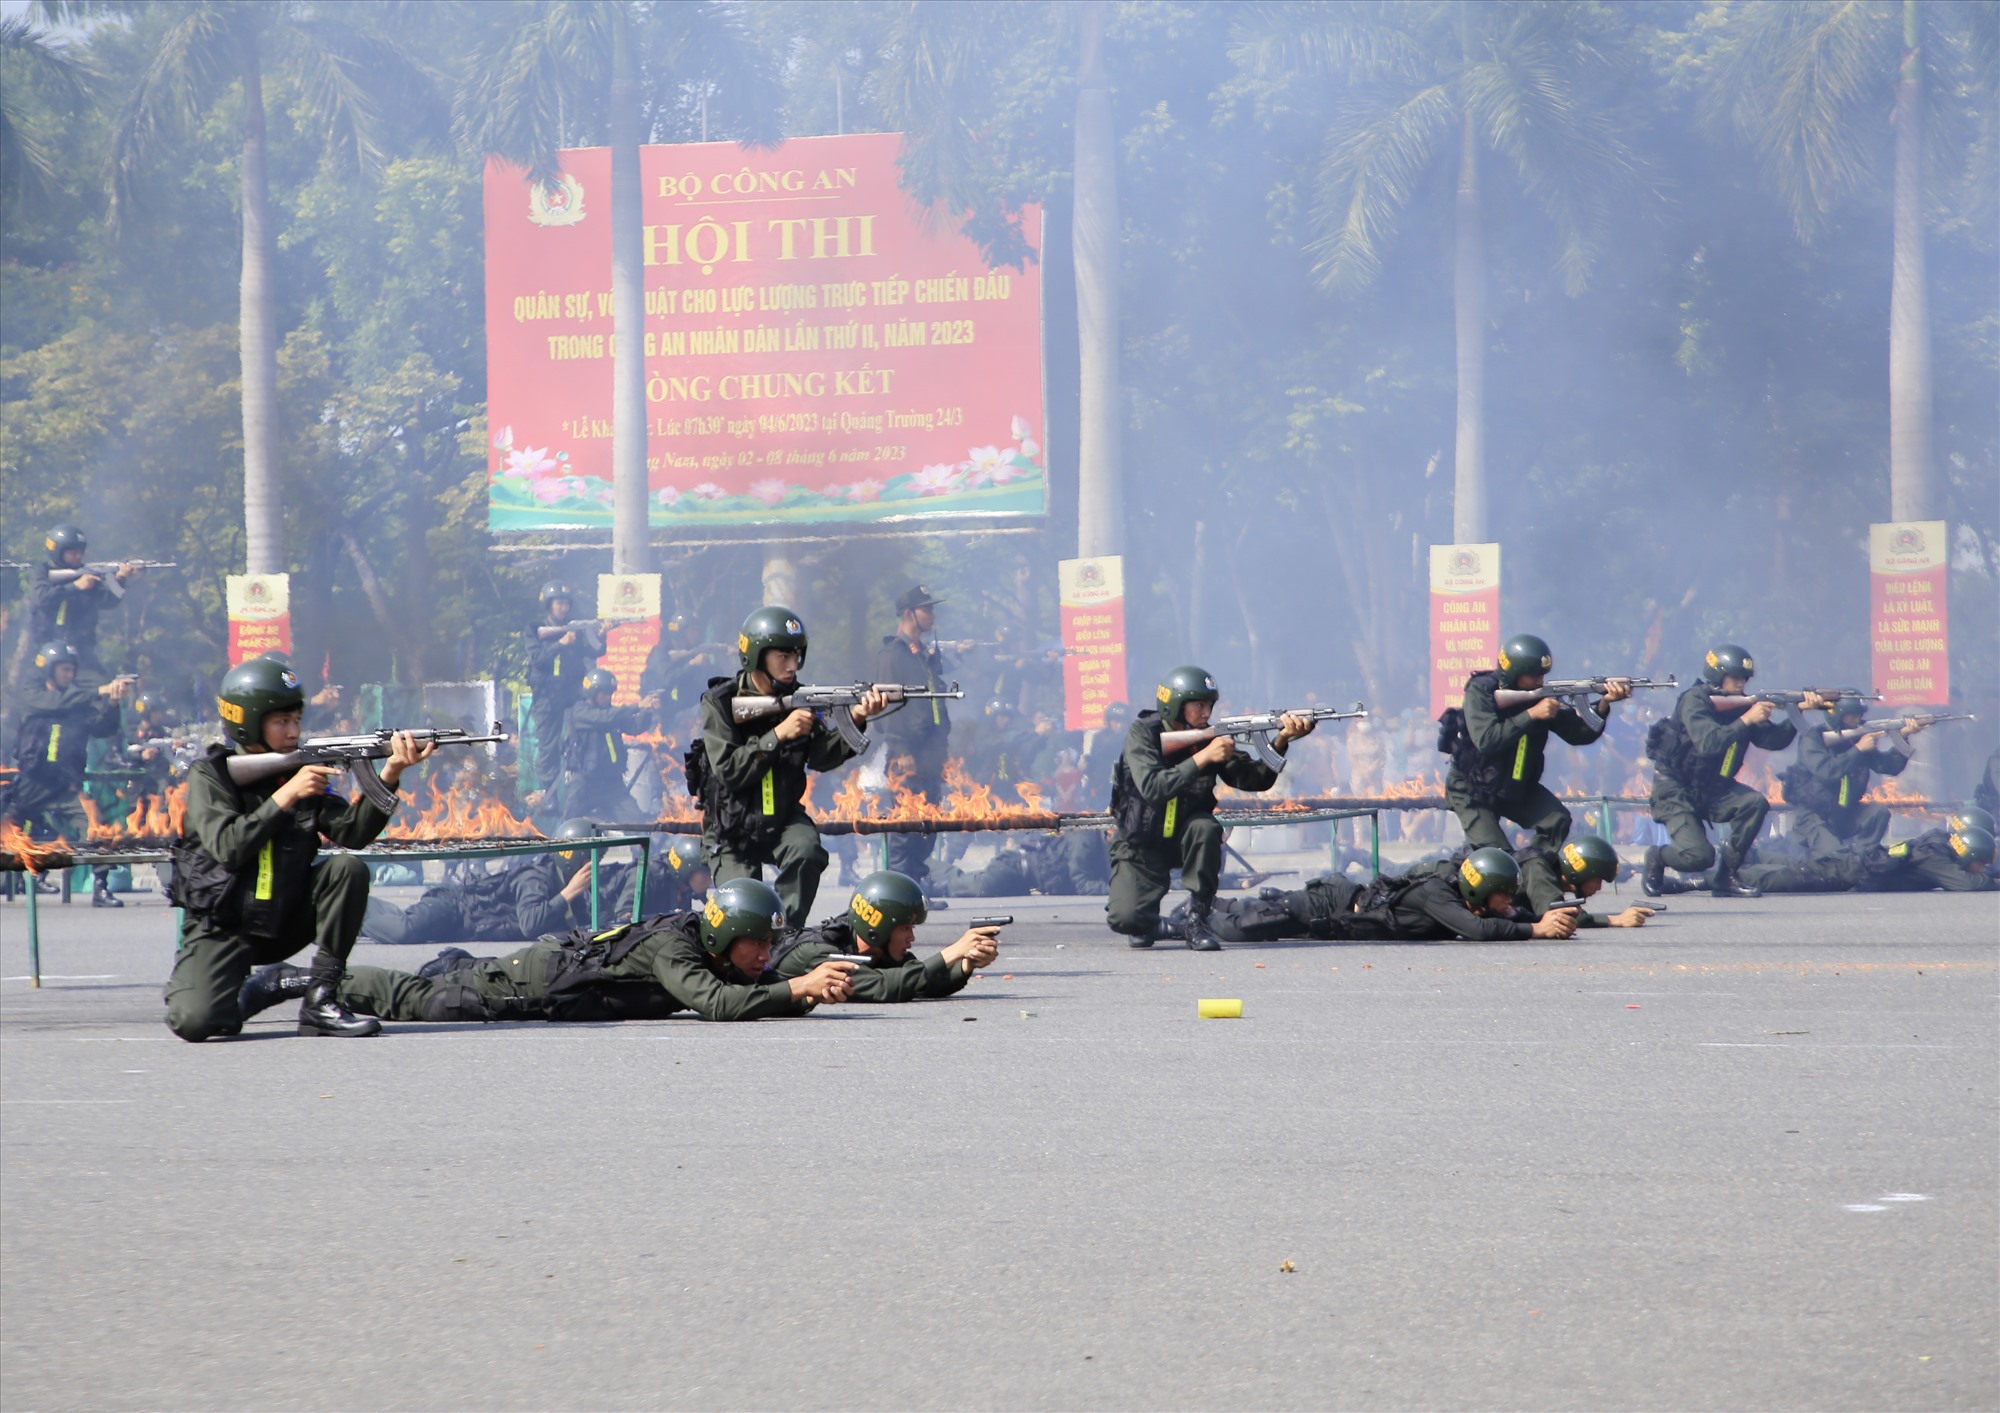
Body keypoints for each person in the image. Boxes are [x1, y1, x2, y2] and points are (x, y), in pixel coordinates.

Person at [163, 657, 435, 1041]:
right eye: (281, 722)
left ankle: (321, 999)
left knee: (346, 869)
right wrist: (288, 793)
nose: (294, 731)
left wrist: (390, 772)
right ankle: (266, 985)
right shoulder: (211, 775)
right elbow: (228, 847)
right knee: (197, 1021)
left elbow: (352, 834)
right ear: (248, 722)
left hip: (284, 919)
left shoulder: (300, 770)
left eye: (297, 720)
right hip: (223, 928)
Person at [249, 877, 858, 1026]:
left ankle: (457, 961)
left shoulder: (716, 949)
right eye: (759, 942)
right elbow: (718, 1005)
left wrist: (805, 991)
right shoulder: (679, 949)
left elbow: (754, 992)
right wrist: (797, 988)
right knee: (427, 1002)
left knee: (447, 983)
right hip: (536, 982)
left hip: (564, 972)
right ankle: (293, 980)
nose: (766, 954)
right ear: (727, 936)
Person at [687, 606, 885, 928]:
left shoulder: (800, 697)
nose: (793, 666)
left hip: (780, 816)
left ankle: (784, 936)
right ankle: (753, 945)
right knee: (743, 907)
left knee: (807, 850)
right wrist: (778, 734)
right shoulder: (720, 702)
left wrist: (858, 718)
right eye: (783, 657)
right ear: (756, 656)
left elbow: (821, 756)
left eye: (796, 656)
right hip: (731, 823)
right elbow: (728, 770)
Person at [1106, 665, 1314, 951]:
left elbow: (1255, 779)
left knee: (1206, 827)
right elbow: (1153, 787)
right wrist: (1203, 758)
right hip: (1142, 843)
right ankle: (1160, 925)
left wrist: (1281, 741)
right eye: (1199, 705)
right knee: (1126, 920)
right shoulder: (1143, 734)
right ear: (1175, 706)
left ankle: (1196, 919)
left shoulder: (1209, 736)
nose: (1207, 712)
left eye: (1210, 705)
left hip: (1187, 839)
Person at [1437, 633, 1631, 913]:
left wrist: (1603, 703)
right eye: (1533, 676)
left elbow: (1579, 734)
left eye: (1542, 675)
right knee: (1498, 855)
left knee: (1556, 819)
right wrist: (1532, 715)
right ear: (1514, 672)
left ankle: (1532, 875)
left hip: (1516, 787)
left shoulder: (1540, 697)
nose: (1540, 681)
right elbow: (1487, 739)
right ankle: (1478, 892)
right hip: (1472, 789)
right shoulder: (1481, 690)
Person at [1643, 644, 1822, 898]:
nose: (1741, 684)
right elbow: (1708, 743)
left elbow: (1773, 741)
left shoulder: (1741, 706)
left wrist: (1797, 712)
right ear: (1718, 674)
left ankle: (1727, 875)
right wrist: (1747, 719)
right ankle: (1657, 857)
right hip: (1675, 788)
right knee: (1699, 856)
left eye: (1744, 679)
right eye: (1735, 678)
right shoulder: (1694, 700)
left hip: (1712, 787)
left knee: (1754, 803)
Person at [1207, 847, 1583, 944]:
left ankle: (1209, 908)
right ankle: (1182, 923)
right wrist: (1537, 931)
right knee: (1239, 929)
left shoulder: (1464, 896)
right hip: (1330, 906)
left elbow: (1510, 918)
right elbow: (1478, 930)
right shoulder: (1438, 895)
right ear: (1480, 891)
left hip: (1339, 918)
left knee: (1247, 912)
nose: (1509, 904)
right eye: (1503, 896)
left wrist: (1546, 921)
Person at [2, 642, 131, 905]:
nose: (68, 674)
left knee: (96, 828)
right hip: (32, 782)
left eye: (72, 669)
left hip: (66, 786)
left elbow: (103, 728)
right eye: (64, 669)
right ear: (49, 669)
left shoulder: (78, 703)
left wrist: (113, 702)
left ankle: (100, 887)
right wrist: (98, 690)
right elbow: (54, 704)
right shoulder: (33, 695)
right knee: (8, 827)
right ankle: (9, 880)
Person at [358, 818, 606, 946]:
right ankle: (351, 908)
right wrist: (571, 892)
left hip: (463, 927)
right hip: (454, 907)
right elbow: (531, 924)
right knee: (404, 931)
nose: (596, 863)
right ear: (575, 857)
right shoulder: (538, 878)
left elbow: (583, 926)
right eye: (592, 857)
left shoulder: (562, 882)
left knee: (403, 921)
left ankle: (359, 910)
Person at [772, 869, 1001, 1002]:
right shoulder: (819, 952)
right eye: (905, 928)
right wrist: (953, 951)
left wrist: (966, 963)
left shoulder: (875, 948)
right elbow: (884, 986)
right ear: (878, 927)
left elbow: (919, 981)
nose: (911, 937)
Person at [872, 585, 955, 900]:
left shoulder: (924, 656)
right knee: (906, 828)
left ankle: (918, 885)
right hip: (906, 754)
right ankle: (900, 893)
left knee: (928, 824)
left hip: (931, 753)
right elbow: (888, 708)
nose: (932, 615)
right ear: (910, 614)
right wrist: (903, 751)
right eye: (927, 609)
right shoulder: (892, 654)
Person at [1779, 697, 1921, 861]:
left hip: (1845, 814)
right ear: (1837, 715)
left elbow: (1888, 766)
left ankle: (1860, 861)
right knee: (1835, 858)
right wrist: (1858, 749)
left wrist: (1902, 736)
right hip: (1813, 817)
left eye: (1859, 715)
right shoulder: (1813, 738)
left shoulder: (1856, 739)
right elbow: (1827, 771)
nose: (1857, 720)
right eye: (1852, 715)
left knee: (1878, 813)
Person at [522, 581, 608, 805]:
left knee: (579, 739)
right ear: (549, 605)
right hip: (547, 696)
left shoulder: (575, 627)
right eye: (559, 603)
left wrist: (603, 633)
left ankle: (580, 787)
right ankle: (548, 794)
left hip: (573, 693)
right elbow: (538, 660)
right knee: (548, 745)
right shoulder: (534, 629)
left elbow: (595, 649)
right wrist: (561, 642)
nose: (564, 608)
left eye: (566, 604)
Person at [27, 524, 141, 686]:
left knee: (101, 689)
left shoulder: (87, 573)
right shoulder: (43, 572)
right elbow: (41, 598)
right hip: (47, 648)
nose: (78, 557)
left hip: (82, 651)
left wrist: (120, 578)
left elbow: (108, 601)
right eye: (73, 553)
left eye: (80, 552)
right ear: (58, 551)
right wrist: (75, 586)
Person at [1737, 823, 1993, 894]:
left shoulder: (1936, 844)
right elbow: (1968, 884)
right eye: (1980, 863)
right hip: (1852, 872)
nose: (1982, 868)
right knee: (1791, 878)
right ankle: (1731, 874)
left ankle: (1743, 854)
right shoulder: (1936, 860)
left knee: (1799, 865)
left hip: (1855, 861)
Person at [559, 667, 657, 821]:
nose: (608, 697)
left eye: (610, 694)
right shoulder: (579, 712)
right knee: (570, 827)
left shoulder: (612, 713)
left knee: (637, 823)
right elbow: (604, 718)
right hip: (584, 783)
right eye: (604, 694)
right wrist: (638, 706)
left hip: (612, 784)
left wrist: (648, 711)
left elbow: (634, 727)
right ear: (592, 693)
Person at [933, 831, 1111, 898]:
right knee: (961, 886)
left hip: (1022, 882)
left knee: (961, 879)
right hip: (1013, 868)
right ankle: (917, 872)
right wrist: (1119, 891)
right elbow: (1083, 885)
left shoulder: (1100, 847)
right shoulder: (1085, 839)